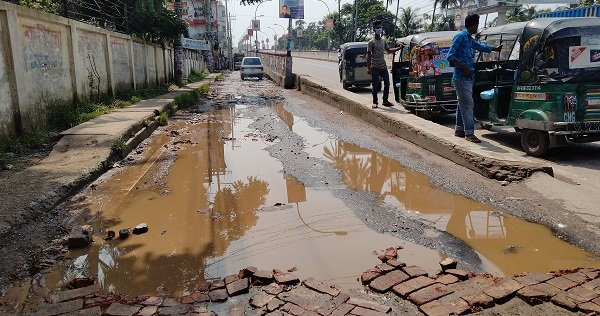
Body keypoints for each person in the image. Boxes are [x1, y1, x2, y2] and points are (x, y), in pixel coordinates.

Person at [447, 14, 501, 143]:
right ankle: (469, 133)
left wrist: (494, 49)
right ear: (474, 24)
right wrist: (464, 68)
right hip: (461, 77)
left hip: (468, 77)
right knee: (468, 105)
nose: (478, 27)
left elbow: (479, 46)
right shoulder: (460, 37)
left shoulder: (469, 38)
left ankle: (459, 129)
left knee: (462, 104)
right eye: (477, 24)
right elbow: (450, 57)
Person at [367, 20, 403, 108]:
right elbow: (368, 55)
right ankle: (375, 102)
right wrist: (369, 67)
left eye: (380, 27)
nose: (379, 29)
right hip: (375, 66)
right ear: (374, 29)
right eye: (377, 28)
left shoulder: (383, 41)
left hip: (383, 66)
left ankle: (385, 100)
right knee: (375, 85)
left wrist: (398, 48)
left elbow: (389, 50)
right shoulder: (371, 42)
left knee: (387, 83)